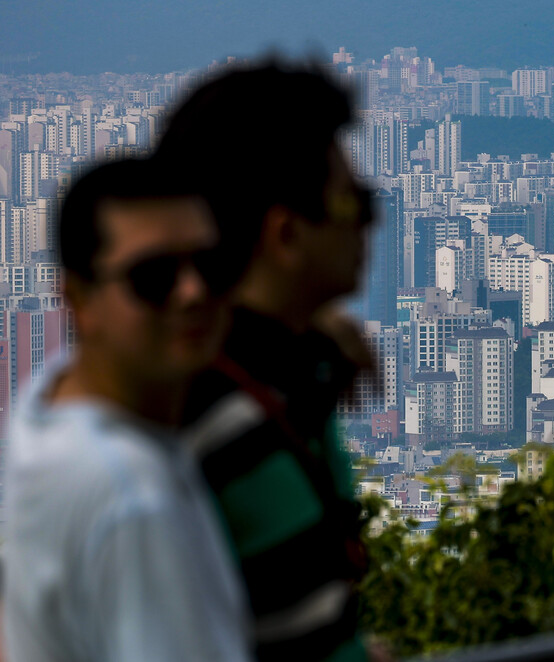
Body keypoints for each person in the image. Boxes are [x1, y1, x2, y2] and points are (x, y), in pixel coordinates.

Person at [155, 63, 379, 661]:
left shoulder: (289, 374)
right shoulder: (211, 427)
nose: (369, 221)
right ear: (286, 234)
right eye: (354, 201)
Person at [2, 158, 252, 662]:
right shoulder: (134, 497)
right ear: (79, 300)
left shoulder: (45, 407)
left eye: (213, 265)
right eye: (153, 277)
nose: (193, 293)